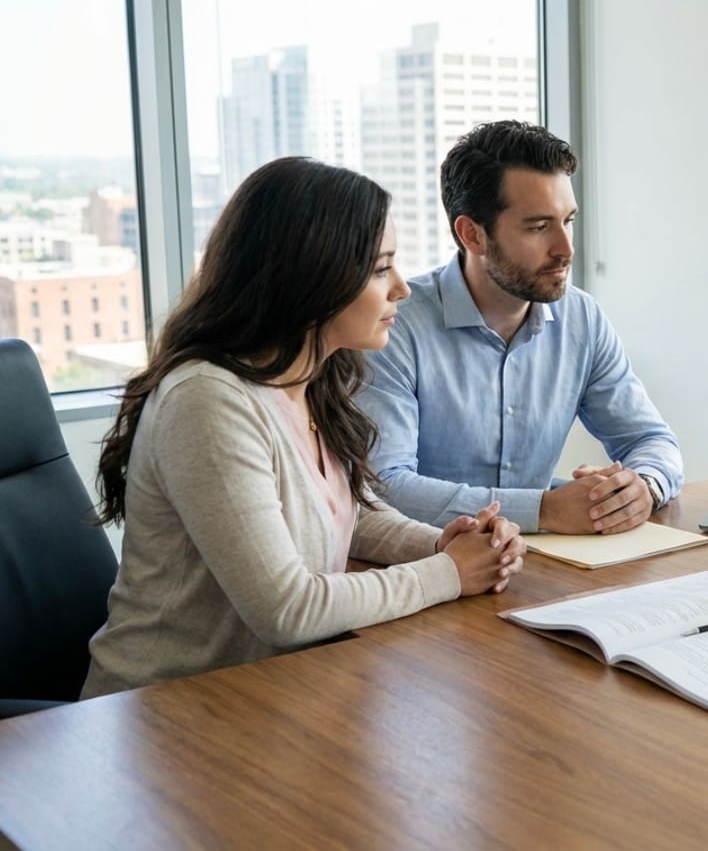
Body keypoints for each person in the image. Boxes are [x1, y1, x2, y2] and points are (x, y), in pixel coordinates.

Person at [82, 157, 525, 698]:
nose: (402, 289)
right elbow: (287, 610)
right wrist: (450, 574)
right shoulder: (207, 400)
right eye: (380, 268)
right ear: (313, 274)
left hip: (275, 696)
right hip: (168, 713)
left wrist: (443, 545)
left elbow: (345, 513)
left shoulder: (309, 377)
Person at [357, 120, 683, 535]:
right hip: (431, 569)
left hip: (542, 565)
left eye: (568, 221)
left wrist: (642, 487)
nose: (566, 249)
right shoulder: (393, 327)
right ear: (472, 234)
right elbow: (386, 489)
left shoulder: (582, 318)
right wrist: (543, 509)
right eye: (539, 227)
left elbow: (651, 440)